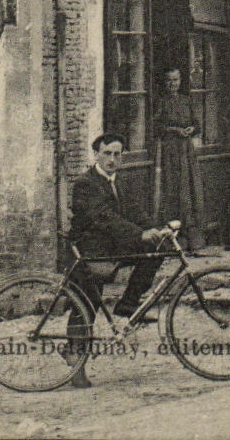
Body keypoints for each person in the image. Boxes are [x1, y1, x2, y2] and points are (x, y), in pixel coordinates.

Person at [67, 133, 167, 387]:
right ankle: (75, 358)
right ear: (96, 155)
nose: (112, 159)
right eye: (107, 154)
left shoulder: (120, 182)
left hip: (111, 246)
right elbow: (104, 218)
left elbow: (135, 213)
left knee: (155, 251)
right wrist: (139, 234)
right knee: (86, 304)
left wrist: (156, 229)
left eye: (117, 154)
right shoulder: (85, 183)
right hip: (89, 251)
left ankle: (126, 308)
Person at [154, 69, 206, 251]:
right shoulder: (162, 102)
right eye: (169, 81)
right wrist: (174, 130)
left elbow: (197, 123)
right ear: (165, 83)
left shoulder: (186, 101)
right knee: (174, 189)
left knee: (189, 188)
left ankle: (193, 236)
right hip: (170, 151)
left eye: (175, 80)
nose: (172, 84)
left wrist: (192, 129)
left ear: (180, 81)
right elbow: (156, 126)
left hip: (186, 151)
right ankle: (177, 238)